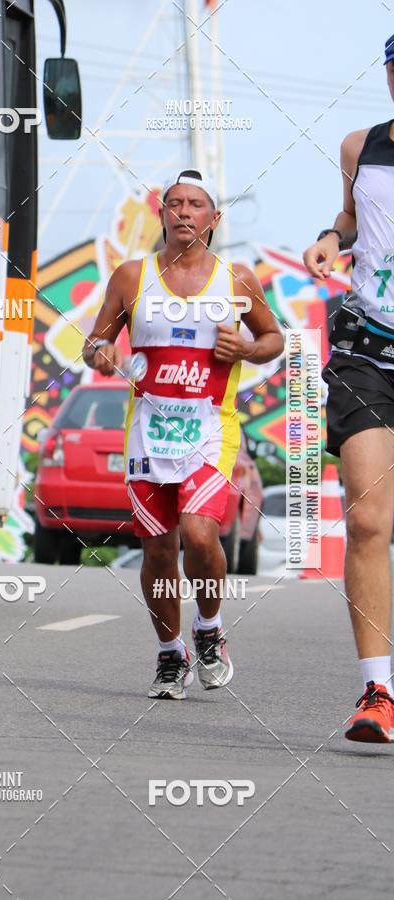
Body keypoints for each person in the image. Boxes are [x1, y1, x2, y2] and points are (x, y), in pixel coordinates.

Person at [83, 170, 283, 699]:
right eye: (174, 203)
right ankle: (171, 654)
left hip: (210, 431)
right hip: (147, 435)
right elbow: (95, 342)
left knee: (198, 534)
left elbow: (274, 338)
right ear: (162, 214)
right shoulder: (132, 277)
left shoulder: (236, 280)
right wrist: (102, 354)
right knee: (157, 551)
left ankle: (209, 628)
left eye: (195, 204)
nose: (184, 212)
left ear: (213, 219)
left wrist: (246, 350)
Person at [303, 34, 394, 742]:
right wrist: (333, 239)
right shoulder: (359, 146)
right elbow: (353, 219)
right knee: (366, 521)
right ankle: (378, 693)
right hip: (368, 348)